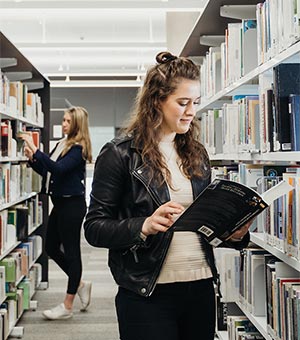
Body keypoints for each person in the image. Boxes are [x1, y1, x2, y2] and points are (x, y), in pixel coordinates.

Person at [84, 52, 251, 340]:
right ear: (156, 102)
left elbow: (204, 225)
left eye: (195, 103)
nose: (190, 111)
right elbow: (95, 228)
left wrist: (233, 234)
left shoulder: (197, 154)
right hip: (147, 292)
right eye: (182, 102)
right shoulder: (120, 154)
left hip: (200, 287)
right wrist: (143, 226)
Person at [21, 106, 93, 320]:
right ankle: (79, 283)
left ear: (77, 124)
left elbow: (59, 169)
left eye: (67, 121)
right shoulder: (62, 144)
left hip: (73, 206)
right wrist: (33, 159)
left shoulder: (78, 148)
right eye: (63, 120)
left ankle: (67, 306)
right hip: (60, 204)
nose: (63, 124)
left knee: (72, 252)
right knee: (51, 247)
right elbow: (49, 172)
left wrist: (36, 149)